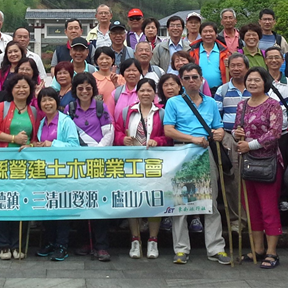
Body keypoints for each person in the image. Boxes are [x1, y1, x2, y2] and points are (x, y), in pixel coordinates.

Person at [164, 63, 231, 265]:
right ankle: (181, 249)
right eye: (187, 78)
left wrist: (219, 134)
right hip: (182, 152)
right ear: (181, 81)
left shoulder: (210, 103)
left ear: (202, 79)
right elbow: (169, 130)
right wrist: (192, 139)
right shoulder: (174, 102)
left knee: (210, 201)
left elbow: (218, 128)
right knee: (181, 202)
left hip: (206, 152)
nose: (191, 81)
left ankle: (216, 248)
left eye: (195, 77)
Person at [232, 67, 284, 269]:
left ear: (265, 82)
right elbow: (238, 129)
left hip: (267, 163)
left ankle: (272, 252)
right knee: (251, 208)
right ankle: (258, 249)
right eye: (249, 80)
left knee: (268, 208)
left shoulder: (273, 106)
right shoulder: (242, 105)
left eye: (257, 80)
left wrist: (250, 144)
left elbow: (274, 134)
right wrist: (238, 136)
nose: (253, 83)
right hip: (247, 162)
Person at [115, 78, 169, 259]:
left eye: (149, 90)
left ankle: (153, 240)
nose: (145, 93)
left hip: (155, 163)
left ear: (155, 93)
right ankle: (135, 239)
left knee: (154, 200)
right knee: (134, 201)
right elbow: (117, 131)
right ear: (136, 93)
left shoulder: (161, 113)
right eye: (142, 90)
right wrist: (122, 139)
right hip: (132, 163)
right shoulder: (126, 113)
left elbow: (166, 137)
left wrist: (157, 141)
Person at [0, 74, 38, 259]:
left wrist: (29, 145)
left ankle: (19, 244)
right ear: (11, 89)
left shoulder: (34, 111)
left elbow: (35, 139)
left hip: (24, 165)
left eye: (25, 87)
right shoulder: (2, 107)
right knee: (1, 200)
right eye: (18, 87)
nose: (21, 90)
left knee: (22, 202)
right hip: (2, 162)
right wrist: (14, 139)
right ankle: (3, 245)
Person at [67, 72, 113, 261]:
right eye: (80, 88)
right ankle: (85, 242)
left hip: (98, 162)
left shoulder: (101, 107)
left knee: (99, 202)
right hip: (78, 163)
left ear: (93, 89)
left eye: (88, 88)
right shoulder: (69, 110)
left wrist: (98, 152)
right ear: (75, 90)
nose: (84, 91)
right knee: (81, 201)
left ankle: (101, 245)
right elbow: (67, 134)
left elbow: (109, 133)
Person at [33, 86, 80, 262]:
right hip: (46, 174)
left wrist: (51, 144)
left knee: (61, 210)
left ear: (56, 101)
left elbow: (75, 146)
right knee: (48, 209)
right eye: (43, 100)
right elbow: (41, 143)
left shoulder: (66, 121)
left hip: (63, 173)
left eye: (50, 99)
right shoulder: (41, 123)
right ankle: (49, 242)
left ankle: (62, 245)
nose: (47, 103)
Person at [214, 52, 251, 233]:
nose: (236, 69)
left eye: (240, 66)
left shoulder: (256, 87)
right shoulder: (222, 90)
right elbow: (216, 117)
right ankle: (236, 220)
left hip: (253, 139)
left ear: (247, 67)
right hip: (230, 137)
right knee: (233, 181)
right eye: (233, 66)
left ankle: (253, 219)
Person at [264, 46, 288, 212]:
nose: (274, 60)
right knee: (266, 165)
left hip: (283, 132)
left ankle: (282, 198)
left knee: (283, 166)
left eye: (277, 57)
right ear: (265, 60)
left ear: (283, 60)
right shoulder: (260, 81)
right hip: (263, 133)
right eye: (270, 57)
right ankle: (269, 198)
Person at [188, 21, 230, 91]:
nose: (208, 34)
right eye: (205, 31)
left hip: (220, 90)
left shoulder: (225, 52)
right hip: (198, 91)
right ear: (200, 34)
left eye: (211, 31)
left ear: (216, 34)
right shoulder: (192, 52)